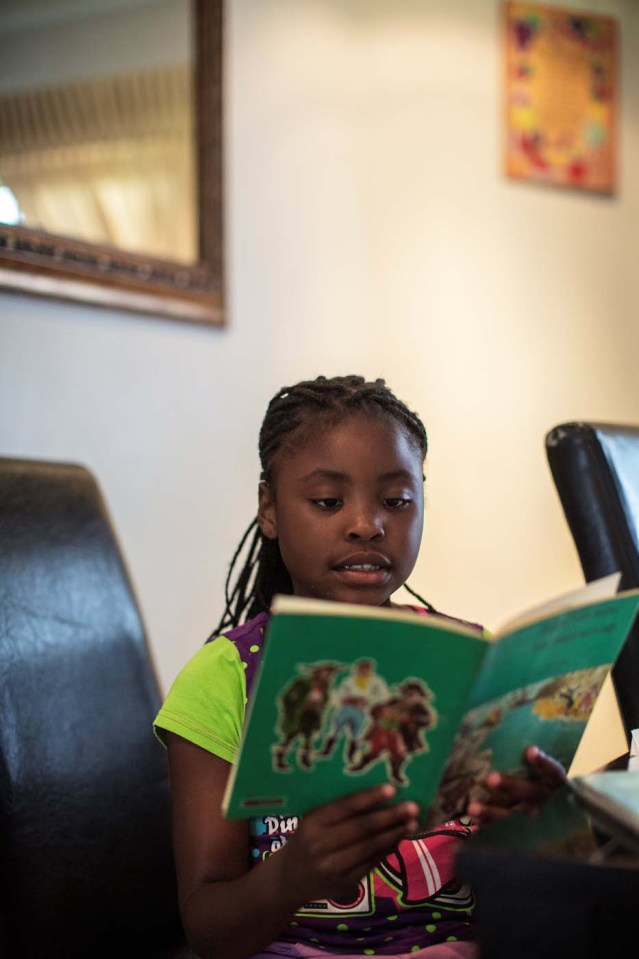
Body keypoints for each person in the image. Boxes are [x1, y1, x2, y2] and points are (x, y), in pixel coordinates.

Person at [154, 374, 566, 959]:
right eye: (327, 501)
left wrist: (546, 819)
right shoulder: (225, 678)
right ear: (269, 509)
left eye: (396, 501)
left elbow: (528, 885)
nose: (367, 525)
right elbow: (209, 930)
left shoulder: (475, 661)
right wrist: (293, 874)